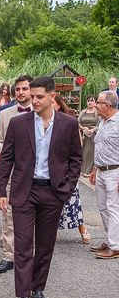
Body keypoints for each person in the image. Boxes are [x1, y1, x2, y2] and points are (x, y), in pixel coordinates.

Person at [0, 76, 82, 298]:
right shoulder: (18, 123)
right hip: (25, 191)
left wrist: (66, 188)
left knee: (45, 245)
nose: (33, 100)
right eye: (32, 96)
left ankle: (37, 289)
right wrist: (1, 190)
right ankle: (23, 296)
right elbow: (7, 159)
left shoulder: (67, 123)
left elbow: (76, 159)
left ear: (52, 96)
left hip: (53, 192)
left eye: (39, 96)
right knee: (23, 245)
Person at [0, 75, 33, 274]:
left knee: (34, 216)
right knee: (8, 216)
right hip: (11, 173)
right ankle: (8, 256)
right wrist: (13, 152)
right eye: (18, 89)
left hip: (35, 176)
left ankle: (29, 256)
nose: (21, 92)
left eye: (25, 89)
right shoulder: (5, 114)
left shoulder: (41, 113)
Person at [51, 93, 90, 244]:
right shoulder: (42, 120)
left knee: (72, 200)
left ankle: (82, 229)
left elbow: (78, 146)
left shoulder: (69, 122)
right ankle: (50, 231)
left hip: (66, 167)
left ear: (59, 105)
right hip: (50, 168)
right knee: (52, 203)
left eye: (53, 103)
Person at [88, 91, 119, 259]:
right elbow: (99, 146)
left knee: (114, 208)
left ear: (107, 106)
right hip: (101, 170)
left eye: (98, 102)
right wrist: (94, 168)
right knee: (103, 207)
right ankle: (110, 239)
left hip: (115, 171)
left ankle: (116, 246)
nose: (95, 105)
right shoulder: (103, 121)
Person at [78, 96, 99, 177]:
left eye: (92, 100)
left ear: (95, 102)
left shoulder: (97, 112)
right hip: (84, 134)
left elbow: (100, 124)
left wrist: (93, 130)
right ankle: (82, 169)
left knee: (90, 152)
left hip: (93, 134)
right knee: (83, 152)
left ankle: (89, 170)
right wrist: (83, 128)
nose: (89, 102)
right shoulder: (83, 111)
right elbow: (78, 122)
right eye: (88, 100)